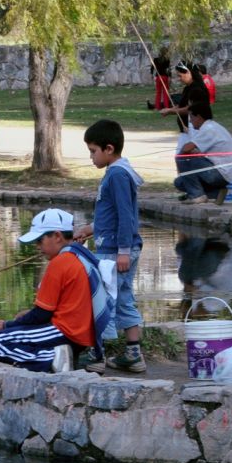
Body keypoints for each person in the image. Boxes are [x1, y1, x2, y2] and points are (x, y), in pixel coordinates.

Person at [0, 208, 112, 373]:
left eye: (40, 240)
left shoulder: (60, 262)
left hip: (66, 331)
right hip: (81, 336)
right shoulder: (79, 254)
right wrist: (18, 321)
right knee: (13, 332)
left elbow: (42, 314)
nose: (37, 246)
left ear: (57, 236)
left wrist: (6, 324)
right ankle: (59, 354)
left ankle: (51, 359)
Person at [77, 119, 145, 373]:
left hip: (116, 251)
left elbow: (126, 215)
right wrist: (89, 229)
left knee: (101, 300)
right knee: (123, 296)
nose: (91, 157)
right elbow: (111, 215)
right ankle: (133, 353)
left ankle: (97, 355)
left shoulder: (117, 174)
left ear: (108, 149)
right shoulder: (116, 172)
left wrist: (124, 252)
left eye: (93, 151)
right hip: (113, 248)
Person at [174, 102, 232, 204]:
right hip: (222, 173)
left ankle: (197, 196)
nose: (191, 123)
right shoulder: (213, 126)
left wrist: (188, 154)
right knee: (179, 182)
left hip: (218, 173)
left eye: (191, 119)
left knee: (182, 157)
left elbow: (186, 149)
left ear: (199, 117)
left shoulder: (208, 129)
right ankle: (216, 193)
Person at [159, 61, 208, 133]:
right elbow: (182, 105)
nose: (179, 79)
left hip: (195, 130)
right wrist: (169, 109)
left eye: (180, 76)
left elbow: (189, 109)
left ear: (188, 72)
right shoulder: (188, 88)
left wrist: (170, 111)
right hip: (186, 130)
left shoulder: (197, 89)